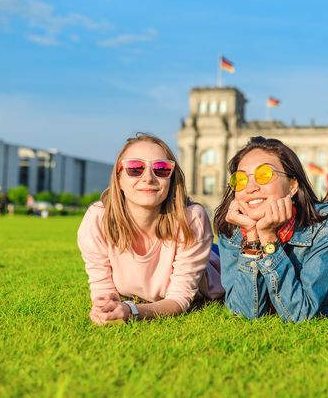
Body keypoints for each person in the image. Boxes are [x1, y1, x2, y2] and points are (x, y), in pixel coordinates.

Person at [214, 136, 328, 322]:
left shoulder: (327, 221)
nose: (250, 187)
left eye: (264, 175)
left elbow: (298, 313)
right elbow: (245, 313)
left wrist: (268, 237)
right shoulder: (232, 229)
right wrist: (252, 239)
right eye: (240, 179)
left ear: (292, 186)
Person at [77, 134, 223, 325]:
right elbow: (102, 290)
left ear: (171, 179)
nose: (148, 178)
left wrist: (132, 311)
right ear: (119, 178)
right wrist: (106, 308)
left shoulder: (191, 219)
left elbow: (179, 299)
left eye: (161, 169)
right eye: (135, 168)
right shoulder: (97, 219)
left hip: (207, 260)